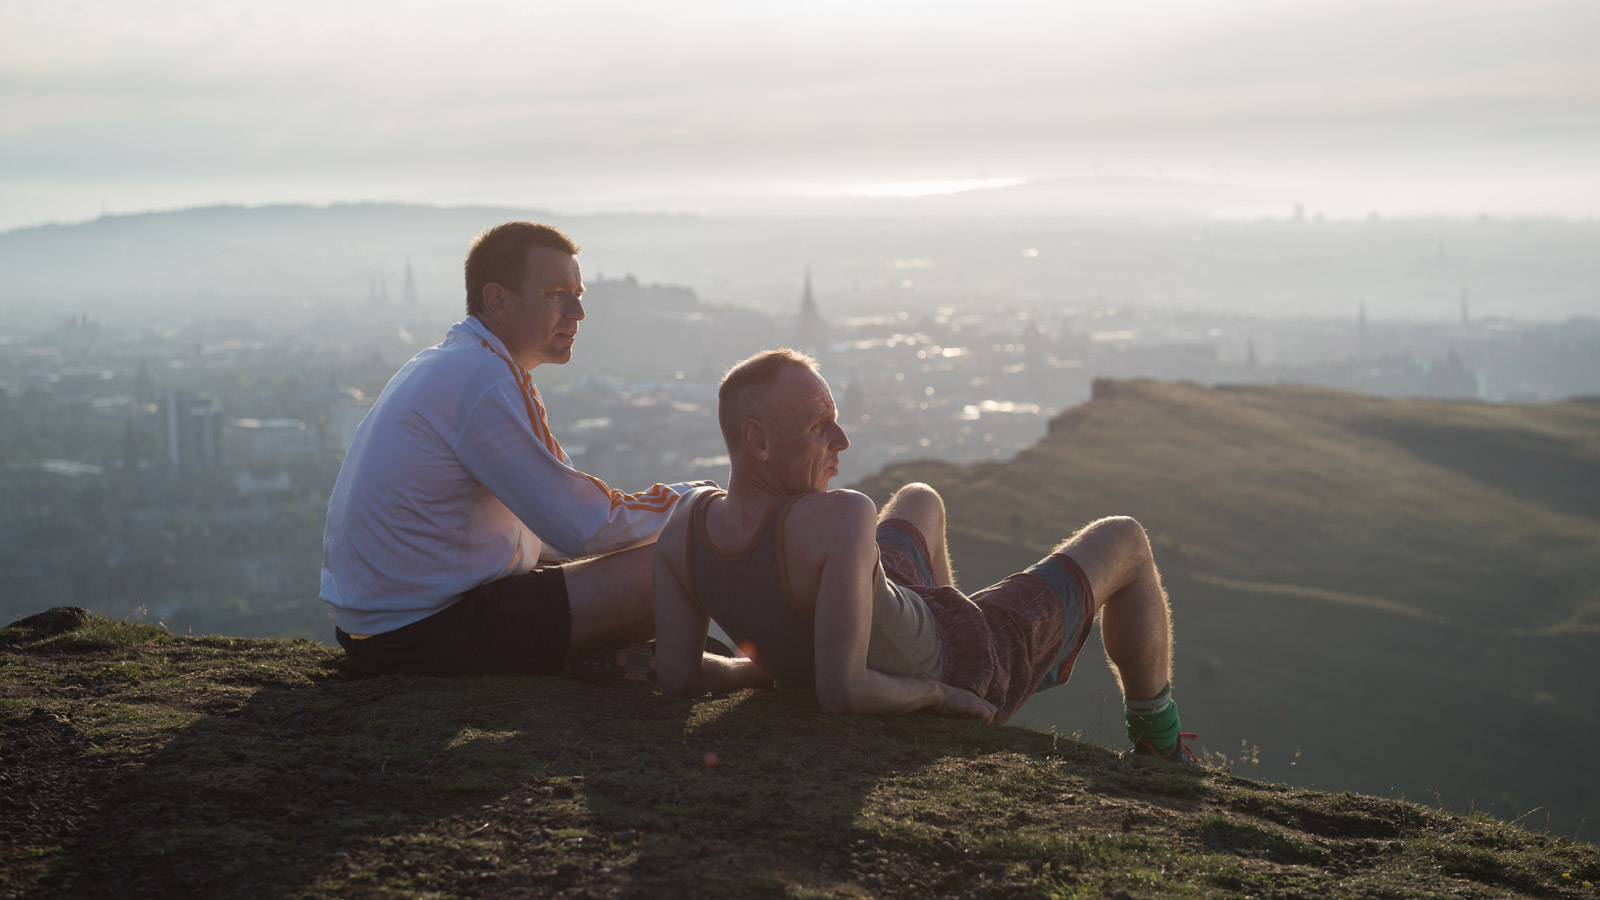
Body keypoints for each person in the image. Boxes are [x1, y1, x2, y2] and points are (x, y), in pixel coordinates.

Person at [652, 349, 1197, 762]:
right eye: (819, 426)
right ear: (759, 441)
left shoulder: (682, 527)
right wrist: (942, 695)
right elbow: (842, 692)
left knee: (919, 498)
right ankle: (1161, 744)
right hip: (964, 663)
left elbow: (678, 675)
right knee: (1124, 539)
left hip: (898, 606)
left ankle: (947, 607)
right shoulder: (841, 517)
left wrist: (765, 670)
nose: (841, 439)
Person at [322, 222, 701, 679]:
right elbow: (584, 526)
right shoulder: (483, 379)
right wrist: (697, 503)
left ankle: (616, 660)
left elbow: (553, 531)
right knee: (689, 553)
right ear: (498, 300)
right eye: (557, 293)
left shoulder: (460, 363)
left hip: (382, 633)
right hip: (423, 636)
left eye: (579, 293)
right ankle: (708, 671)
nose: (578, 311)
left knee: (654, 553)